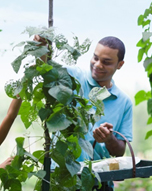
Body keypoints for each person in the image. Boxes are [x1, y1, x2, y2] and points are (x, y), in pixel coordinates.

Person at [34, 35, 133, 190]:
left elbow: (120, 152)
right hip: (63, 175)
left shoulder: (124, 102)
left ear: (120, 64)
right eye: (95, 58)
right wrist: (41, 49)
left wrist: (109, 138)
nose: (98, 65)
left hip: (99, 181)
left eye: (106, 62)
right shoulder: (74, 77)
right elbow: (45, 70)